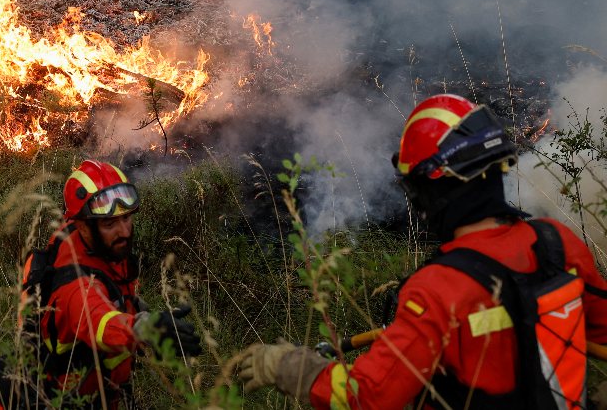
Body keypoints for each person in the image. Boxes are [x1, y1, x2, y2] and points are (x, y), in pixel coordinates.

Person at [234, 93, 607, 409]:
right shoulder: (557, 244)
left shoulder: (437, 290)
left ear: (434, 188)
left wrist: (297, 370)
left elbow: (368, 396)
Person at [0, 159, 202, 409]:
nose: (124, 231)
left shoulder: (97, 244)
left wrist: (142, 313)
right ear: (82, 224)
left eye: (126, 218)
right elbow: (100, 322)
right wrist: (144, 330)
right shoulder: (75, 285)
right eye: (110, 223)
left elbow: (114, 297)